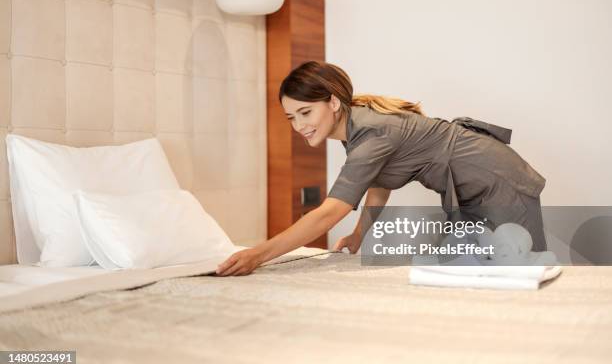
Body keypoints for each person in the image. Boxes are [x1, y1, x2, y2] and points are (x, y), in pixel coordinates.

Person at [215, 61, 547, 276]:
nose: (299, 126)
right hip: (476, 183)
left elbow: (329, 212)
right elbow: (379, 182)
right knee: (460, 270)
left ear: (332, 102)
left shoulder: (371, 133)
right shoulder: (355, 129)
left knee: (515, 269)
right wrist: (361, 232)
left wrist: (259, 254)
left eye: (305, 112)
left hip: (497, 180)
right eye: (291, 117)